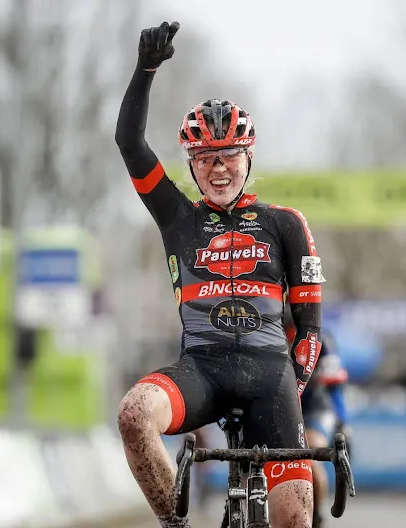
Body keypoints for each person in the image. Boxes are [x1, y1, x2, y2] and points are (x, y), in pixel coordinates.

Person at [114, 21, 326, 528]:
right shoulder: (178, 217)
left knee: (295, 519)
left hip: (271, 378)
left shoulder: (286, 223)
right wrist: (145, 71)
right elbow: (129, 141)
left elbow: (311, 325)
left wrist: (289, 392)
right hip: (201, 372)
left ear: (247, 157)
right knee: (134, 415)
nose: (219, 168)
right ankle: (177, 523)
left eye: (229, 154)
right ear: (192, 165)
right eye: (205, 158)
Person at [284, 316, 349, 528]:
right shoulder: (263, 325)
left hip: (314, 407)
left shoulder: (322, 337)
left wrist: (343, 421)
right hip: (279, 405)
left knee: (309, 451)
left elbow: (335, 386)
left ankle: (316, 517)